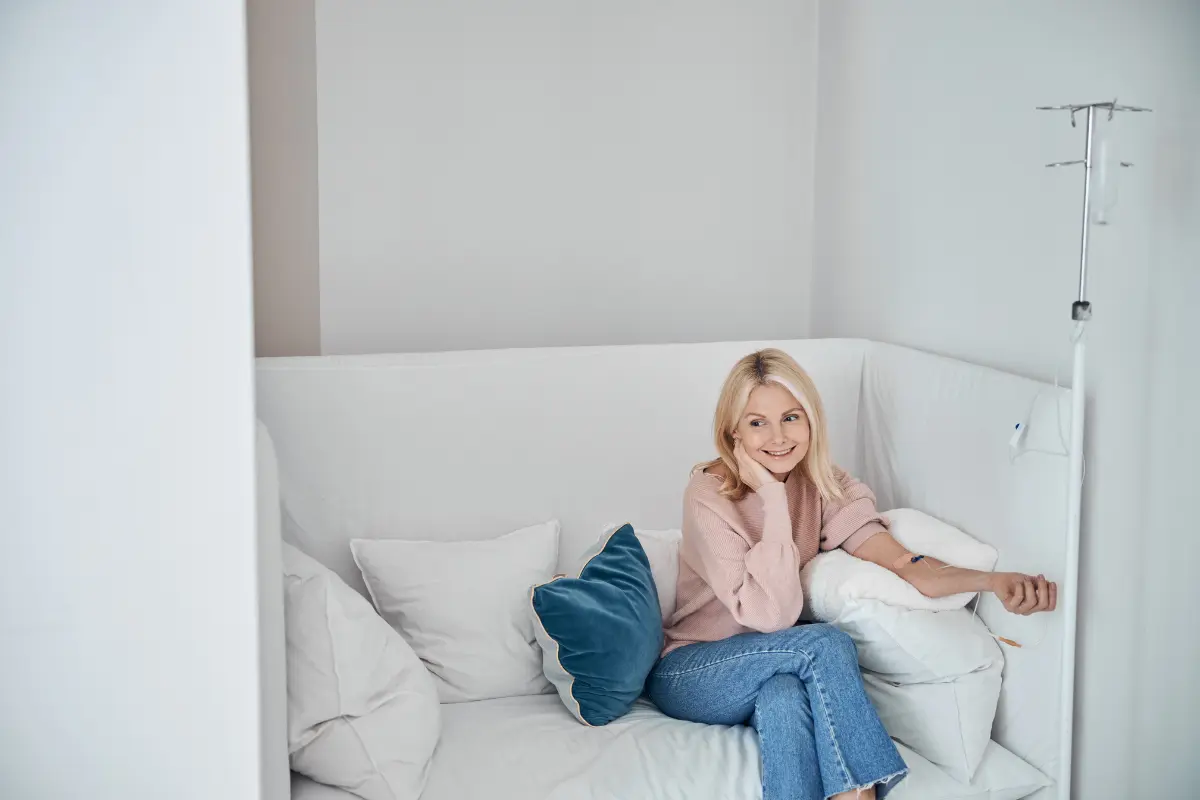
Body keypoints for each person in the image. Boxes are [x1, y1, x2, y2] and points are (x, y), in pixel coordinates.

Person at [645, 349, 1057, 800]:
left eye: (791, 417)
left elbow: (903, 564)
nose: (778, 437)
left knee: (784, 697)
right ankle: (859, 794)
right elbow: (772, 615)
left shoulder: (824, 485)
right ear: (733, 433)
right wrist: (770, 495)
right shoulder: (709, 493)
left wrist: (992, 583)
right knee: (823, 644)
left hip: (771, 668)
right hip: (693, 671)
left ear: (812, 421)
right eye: (757, 422)